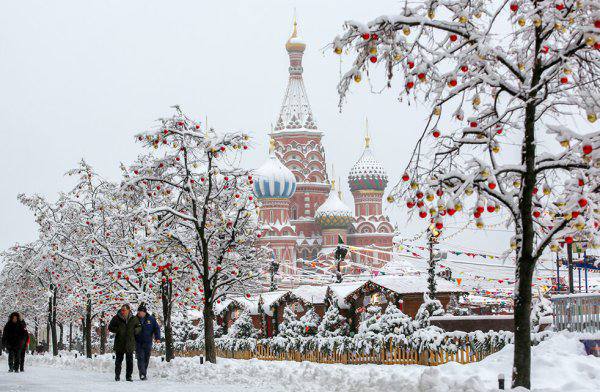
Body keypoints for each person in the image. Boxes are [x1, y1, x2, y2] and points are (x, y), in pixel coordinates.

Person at [108, 304, 141, 382]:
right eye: (121, 310)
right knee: (118, 361)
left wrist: (136, 330)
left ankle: (129, 377)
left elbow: (139, 327)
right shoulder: (116, 318)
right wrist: (118, 330)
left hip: (130, 342)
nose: (122, 311)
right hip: (119, 342)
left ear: (128, 310)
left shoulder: (134, 318)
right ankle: (117, 376)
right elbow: (110, 327)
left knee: (129, 361)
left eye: (124, 310)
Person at [135, 304, 161, 380]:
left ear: (145, 312)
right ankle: (142, 374)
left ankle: (144, 371)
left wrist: (157, 338)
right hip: (138, 342)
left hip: (148, 342)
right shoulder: (134, 319)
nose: (140, 313)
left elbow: (156, 328)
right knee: (140, 358)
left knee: (146, 358)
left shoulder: (151, 319)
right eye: (139, 311)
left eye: (141, 312)